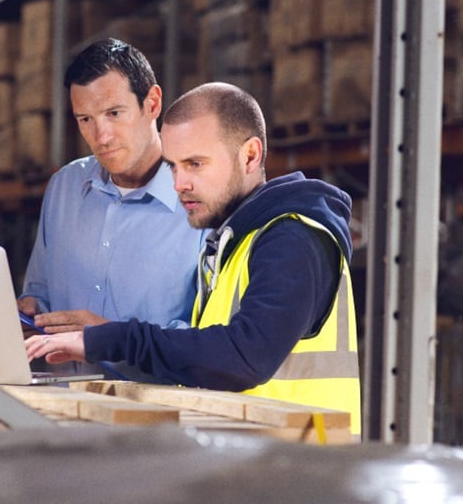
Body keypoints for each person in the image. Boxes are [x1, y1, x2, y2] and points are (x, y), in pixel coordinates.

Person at [25, 82, 362, 435]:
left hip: (301, 473)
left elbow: (244, 357)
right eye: (173, 166)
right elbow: (206, 359)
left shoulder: (293, 239)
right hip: (259, 467)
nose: (179, 183)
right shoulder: (233, 244)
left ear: (250, 155)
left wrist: (110, 338)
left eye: (195, 164)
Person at [18, 38, 203, 381]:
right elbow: (39, 294)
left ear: (152, 103)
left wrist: (110, 337)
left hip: (160, 418)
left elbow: (209, 342)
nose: (100, 135)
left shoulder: (200, 201)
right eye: (85, 119)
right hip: (63, 409)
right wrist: (30, 314)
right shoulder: (64, 188)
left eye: (114, 114)